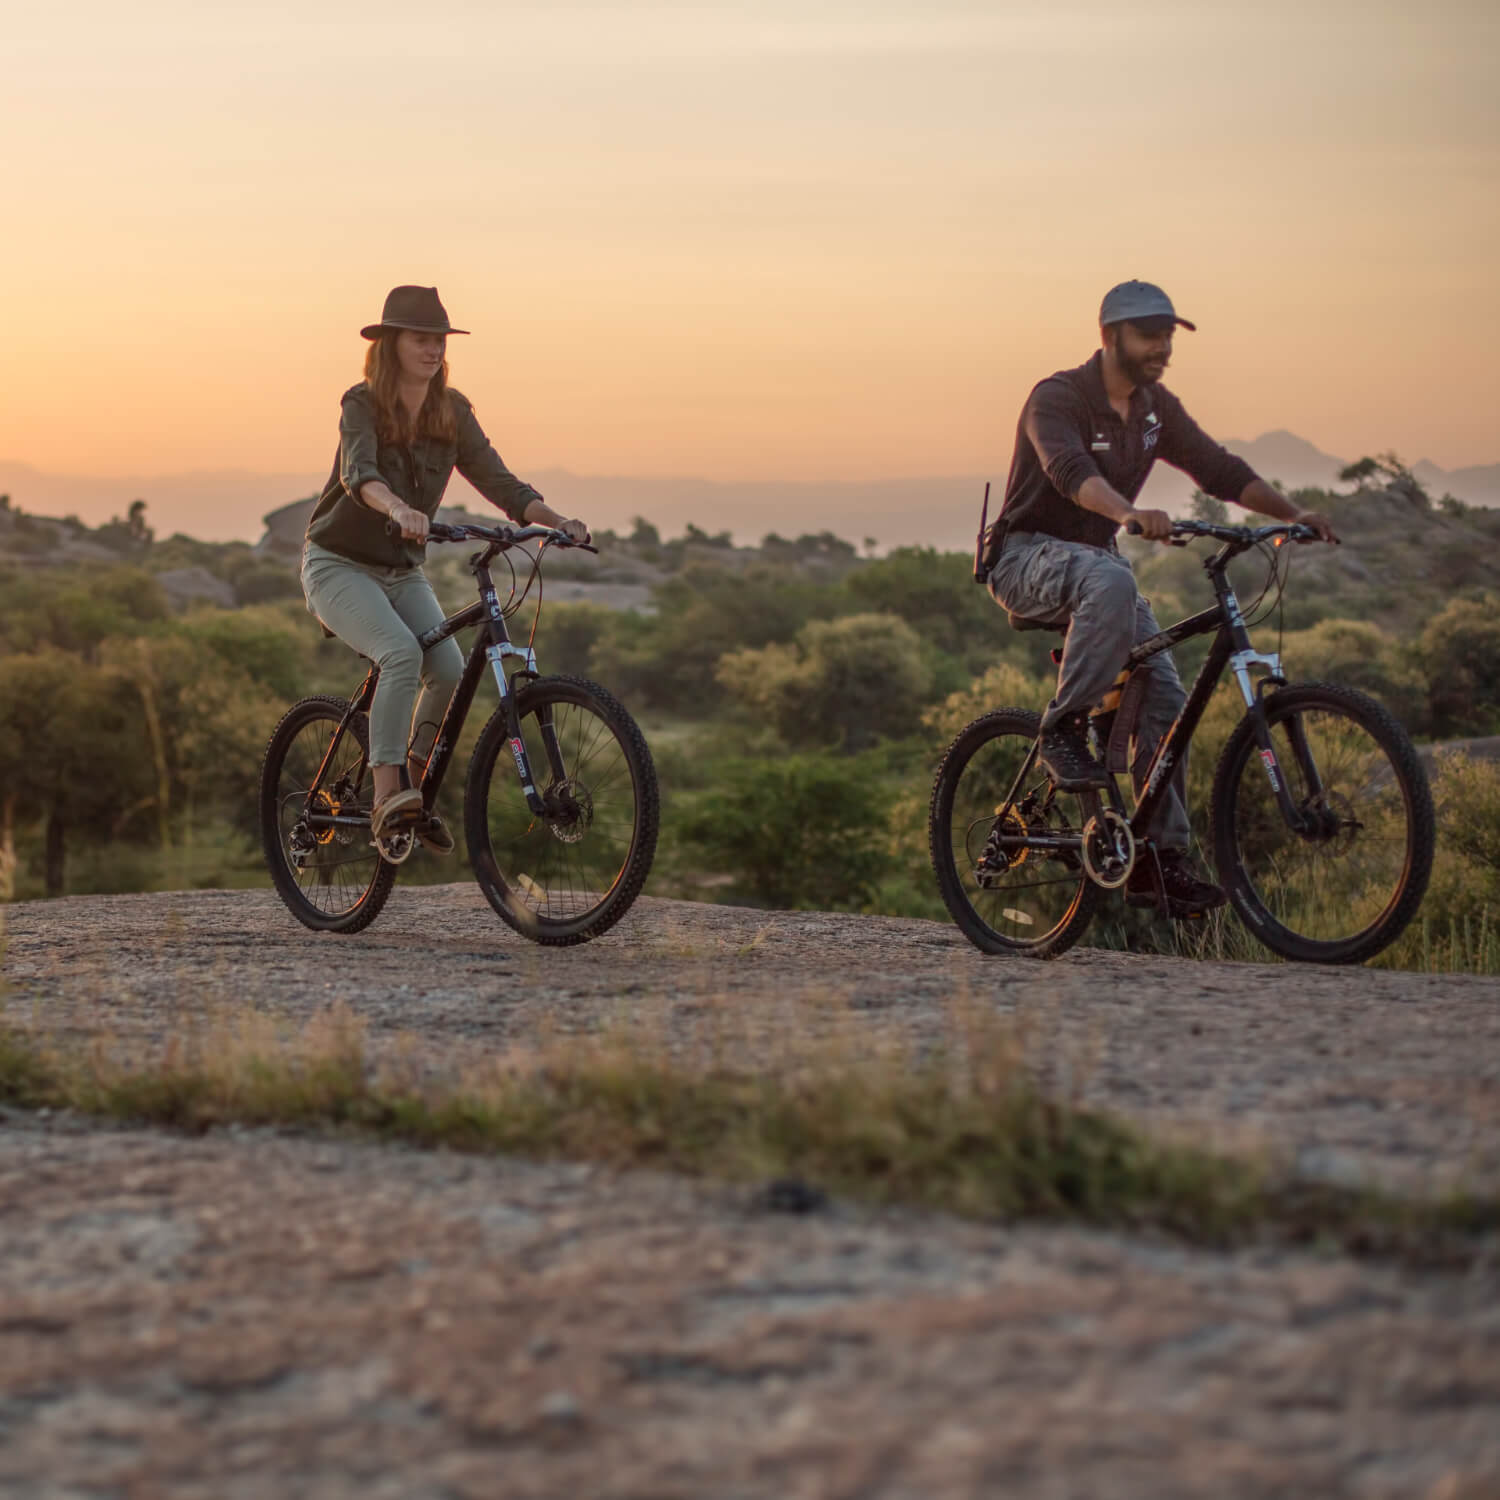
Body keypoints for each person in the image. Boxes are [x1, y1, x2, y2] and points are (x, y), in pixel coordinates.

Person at [981, 279, 1338, 916]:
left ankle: (1158, 859)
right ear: (1110, 336)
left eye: (1169, 336)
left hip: (1097, 569)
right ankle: (1064, 727)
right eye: (1150, 335)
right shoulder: (1056, 398)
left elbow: (1219, 469)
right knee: (1113, 578)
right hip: (1026, 556)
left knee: (1167, 702)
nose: (1163, 348)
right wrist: (1128, 511)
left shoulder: (1153, 409)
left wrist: (1294, 515)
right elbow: (1071, 475)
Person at [302, 285, 590, 853]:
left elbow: (500, 482)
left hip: (401, 569)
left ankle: (410, 786)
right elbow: (357, 475)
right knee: (401, 653)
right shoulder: (360, 403)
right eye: (420, 338)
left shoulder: (451, 410)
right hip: (337, 565)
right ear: (391, 344)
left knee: (449, 667)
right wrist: (400, 508)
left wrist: (555, 521)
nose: (433, 349)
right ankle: (386, 795)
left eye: (439, 340)